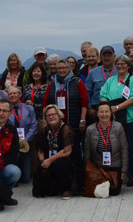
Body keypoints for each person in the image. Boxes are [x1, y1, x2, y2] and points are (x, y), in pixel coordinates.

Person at [45, 59, 88, 192]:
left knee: (75, 156)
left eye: (64, 68)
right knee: (59, 155)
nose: (62, 70)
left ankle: (78, 185)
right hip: (56, 127)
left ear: (70, 68)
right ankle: (59, 184)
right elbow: (46, 102)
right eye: (59, 68)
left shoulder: (77, 82)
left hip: (73, 125)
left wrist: (82, 120)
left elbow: (85, 102)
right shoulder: (52, 83)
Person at [99, 54, 133, 186]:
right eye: (118, 64)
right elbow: (103, 96)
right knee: (114, 148)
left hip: (130, 119)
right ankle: (116, 173)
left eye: (123, 63)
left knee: (131, 147)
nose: (120, 66)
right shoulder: (111, 80)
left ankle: (132, 174)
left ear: (128, 66)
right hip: (113, 121)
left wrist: (116, 108)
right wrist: (107, 109)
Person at [83, 103, 128, 196]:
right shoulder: (90, 129)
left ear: (111, 113)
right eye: (101, 112)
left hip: (114, 166)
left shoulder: (118, 127)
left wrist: (124, 170)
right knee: (96, 189)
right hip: (98, 167)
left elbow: (124, 149)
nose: (104, 114)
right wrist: (87, 170)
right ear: (97, 114)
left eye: (107, 111)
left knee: (113, 192)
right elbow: (87, 150)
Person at [33, 104, 75, 199]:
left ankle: (66, 190)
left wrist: (50, 160)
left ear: (59, 115)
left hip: (64, 161)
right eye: (48, 115)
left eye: (54, 114)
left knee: (60, 163)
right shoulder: (44, 131)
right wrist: (43, 162)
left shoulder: (66, 128)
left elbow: (67, 151)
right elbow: (40, 150)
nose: (51, 117)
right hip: (49, 161)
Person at [6, 87, 37, 184]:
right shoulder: (6, 110)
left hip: (26, 144)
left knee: (26, 179)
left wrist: (25, 140)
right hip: (11, 143)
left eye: (15, 93)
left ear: (20, 95)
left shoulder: (29, 109)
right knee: (14, 177)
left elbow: (34, 125)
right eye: (10, 94)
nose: (12, 95)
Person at [86, 45, 117, 113]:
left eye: (109, 55)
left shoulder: (119, 71)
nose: (107, 58)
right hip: (96, 108)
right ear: (100, 57)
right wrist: (89, 108)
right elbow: (88, 92)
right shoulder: (93, 73)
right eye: (104, 56)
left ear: (114, 57)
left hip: (115, 108)